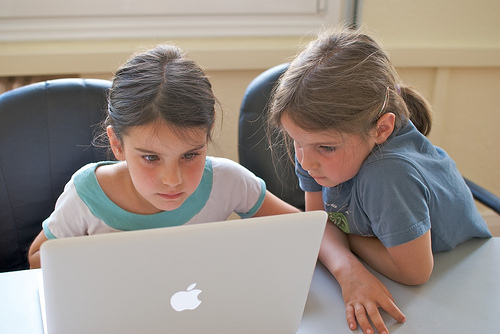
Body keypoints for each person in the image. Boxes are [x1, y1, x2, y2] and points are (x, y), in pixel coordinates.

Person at [268, 26, 491, 334]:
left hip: (458, 278)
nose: (305, 161)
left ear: (381, 130)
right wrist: (347, 268)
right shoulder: (313, 144)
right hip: (391, 270)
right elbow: (319, 220)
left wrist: (345, 243)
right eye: (295, 142)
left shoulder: (388, 174)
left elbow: (415, 272)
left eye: (326, 147)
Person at [28, 44, 299, 268]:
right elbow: (36, 260)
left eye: (190, 155)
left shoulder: (227, 181)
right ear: (117, 144)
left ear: (208, 134)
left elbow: (304, 230)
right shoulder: (86, 195)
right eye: (150, 158)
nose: (172, 180)